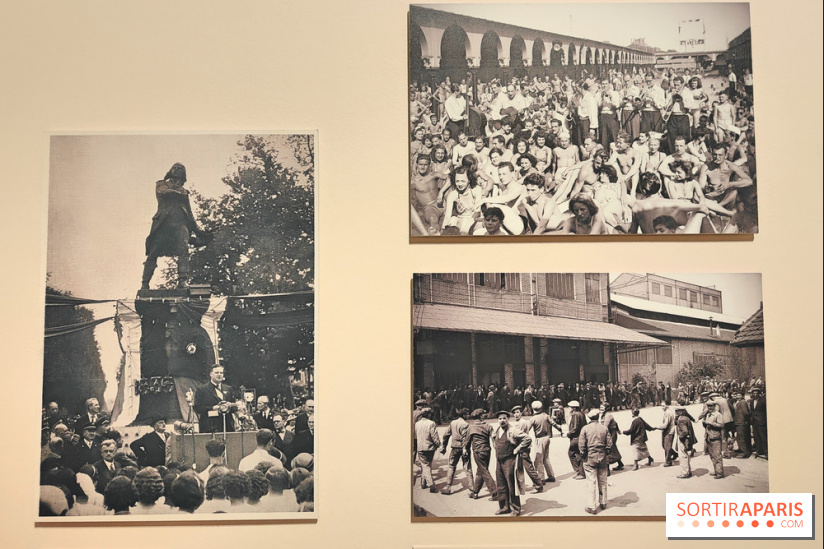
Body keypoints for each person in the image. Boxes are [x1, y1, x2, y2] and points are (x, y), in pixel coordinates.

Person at [141, 163, 207, 289]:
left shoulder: (184, 193)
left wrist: (200, 233)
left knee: (183, 250)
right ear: (170, 171)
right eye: (174, 168)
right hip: (163, 225)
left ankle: (183, 281)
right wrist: (179, 193)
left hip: (180, 225)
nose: (176, 170)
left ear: (183, 174)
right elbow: (163, 192)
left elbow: (189, 214)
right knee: (153, 253)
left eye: (180, 169)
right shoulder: (162, 184)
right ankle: (145, 283)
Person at [492, 410, 529, 516]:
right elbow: (493, 439)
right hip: (499, 460)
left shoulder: (513, 430)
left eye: (504, 418)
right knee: (501, 484)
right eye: (500, 419)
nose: (502, 420)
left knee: (511, 485)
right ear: (497, 420)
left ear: (508, 419)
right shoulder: (497, 430)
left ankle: (516, 509)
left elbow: (527, 439)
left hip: (510, 460)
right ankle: (504, 507)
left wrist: (517, 449)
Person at [579, 409, 612, 514]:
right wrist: (605, 452)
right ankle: (603, 502)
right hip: (602, 457)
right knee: (603, 480)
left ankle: (592, 506)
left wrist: (584, 456)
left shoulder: (585, 429)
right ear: (598, 417)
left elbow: (581, 446)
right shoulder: (604, 428)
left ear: (589, 418)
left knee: (591, 482)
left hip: (590, 457)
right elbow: (609, 444)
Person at [194, 364, 236, 433]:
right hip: (209, 426)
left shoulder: (228, 389)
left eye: (221, 373)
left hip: (227, 426)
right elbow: (197, 408)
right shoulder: (202, 389)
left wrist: (232, 405)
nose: (219, 375)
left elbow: (234, 408)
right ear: (211, 374)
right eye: (216, 373)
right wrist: (213, 408)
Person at [510, 405, 543, 494]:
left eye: (518, 412)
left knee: (528, 468)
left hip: (523, 448)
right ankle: (523, 486)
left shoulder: (522, 422)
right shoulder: (518, 422)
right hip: (521, 447)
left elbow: (518, 437)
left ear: (521, 413)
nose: (516, 415)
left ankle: (539, 485)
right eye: (514, 413)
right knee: (521, 468)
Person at [440, 408, 473, 495]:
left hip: (454, 448)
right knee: (467, 467)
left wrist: (444, 446)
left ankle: (448, 487)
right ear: (464, 415)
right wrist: (465, 448)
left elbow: (445, 435)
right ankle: (472, 488)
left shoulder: (453, 423)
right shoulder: (465, 424)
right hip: (463, 448)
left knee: (451, 466)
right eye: (467, 414)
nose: (468, 416)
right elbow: (465, 438)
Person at [466, 408, 496, 500]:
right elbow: (494, 438)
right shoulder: (488, 426)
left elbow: (467, 441)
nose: (484, 416)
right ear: (480, 416)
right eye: (483, 415)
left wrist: (465, 450)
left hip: (478, 452)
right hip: (487, 450)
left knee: (483, 470)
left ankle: (495, 492)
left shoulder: (471, 427)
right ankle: (475, 492)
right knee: (481, 471)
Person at [529, 401, 558, 483]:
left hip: (540, 439)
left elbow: (526, 429)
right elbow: (553, 423)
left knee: (538, 460)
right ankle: (551, 475)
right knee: (546, 458)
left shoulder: (533, 418)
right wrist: (560, 429)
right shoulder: (545, 416)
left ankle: (541, 478)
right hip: (547, 438)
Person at [414, 408, 440, 493]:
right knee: (427, 465)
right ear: (428, 415)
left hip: (420, 447)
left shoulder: (417, 424)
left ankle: (423, 482)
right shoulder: (431, 423)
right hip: (429, 447)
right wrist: (438, 444)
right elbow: (434, 436)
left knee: (424, 465)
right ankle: (431, 484)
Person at [703, 400, 725, 478]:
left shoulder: (718, 415)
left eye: (711, 406)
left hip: (715, 437)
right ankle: (716, 470)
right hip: (709, 436)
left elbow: (721, 425)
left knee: (717, 455)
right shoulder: (708, 415)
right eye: (708, 406)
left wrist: (710, 423)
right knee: (712, 455)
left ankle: (720, 473)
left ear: (714, 407)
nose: (709, 408)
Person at [674, 406, 697, 479]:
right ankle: (688, 471)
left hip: (683, 440)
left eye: (677, 411)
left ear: (680, 412)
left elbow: (685, 431)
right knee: (685, 455)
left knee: (682, 456)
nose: (675, 413)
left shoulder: (682, 420)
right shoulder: (686, 418)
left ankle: (685, 473)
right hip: (687, 439)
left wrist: (680, 437)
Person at [566, 400, 586, 479]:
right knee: (579, 453)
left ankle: (580, 471)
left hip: (576, 437)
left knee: (571, 453)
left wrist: (569, 433)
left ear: (574, 408)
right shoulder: (582, 414)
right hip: (581, 437)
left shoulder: (575, 415)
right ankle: (580, 471)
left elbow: (575, 427)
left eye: (571, 407)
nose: (570, 408)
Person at [750, 387, 767, 458]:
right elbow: (752, 412)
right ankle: (759, 450)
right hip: (755, 422)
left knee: (763, 437)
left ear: (759, 394)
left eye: (756, 393)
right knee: (756, 437)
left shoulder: (763, 400)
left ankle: (766, 452)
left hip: (761, 421)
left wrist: (765, 420)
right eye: (754, 393)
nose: (755, 394)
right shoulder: (751, 402)